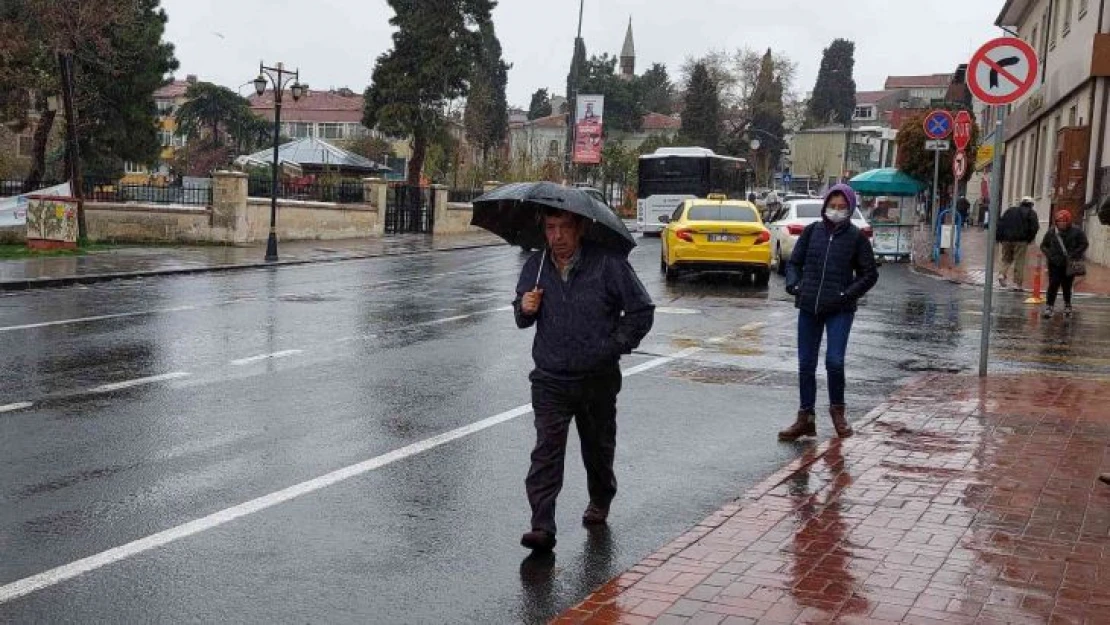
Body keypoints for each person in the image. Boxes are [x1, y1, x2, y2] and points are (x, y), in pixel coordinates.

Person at [513, 207, 654, 551]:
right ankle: (542, 525)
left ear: (580, 229)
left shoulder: (608, 264)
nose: (556, 236)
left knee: (598, 447)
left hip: (597, 378)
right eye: (550, 228)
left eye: (564, 227)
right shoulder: (537, 266)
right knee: (546, 453)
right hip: (550, 378)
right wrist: (525, 307)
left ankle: (601, 497)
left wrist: (612, 347)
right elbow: (521, 318)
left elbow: (641, 311)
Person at [780, 184, 879, 441]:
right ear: (825, 207)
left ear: (850, 208)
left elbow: (869, 274)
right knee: (806, 364)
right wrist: (795, 285)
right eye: (832, 206)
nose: (836, 211)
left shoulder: (856, 238)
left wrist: (847, 294)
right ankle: (805, 418)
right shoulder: (813, 232)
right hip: (809, 305)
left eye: (842, 207)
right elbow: (795, 263)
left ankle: (838, 412)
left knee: (834, 361)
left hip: (840, 309)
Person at [1039, 210, 1089, 319]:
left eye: (1064, 221)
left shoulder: (1076, 231)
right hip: (1054, 263)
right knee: (1053, 284)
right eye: (1059, 221)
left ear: (1068, 221)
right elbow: (1043, 245)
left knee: (1067, 285)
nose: (1061, 223)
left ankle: (1067, 305)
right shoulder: (1052, 232)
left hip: (1069, 263)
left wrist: (1074, 254)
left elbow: (1084, 244)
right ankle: (1049, 306)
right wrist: (1050, 255)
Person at [995, 196, 1040, 290]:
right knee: (1019, 261)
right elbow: (1034, 227)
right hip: (1021, 240)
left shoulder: (1010, 211)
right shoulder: (1031, 213)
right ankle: (1017, 283)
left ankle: (1002, 274)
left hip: (1006, 239)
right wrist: (1029, 239)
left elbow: (1000, 223)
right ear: (1031, 204)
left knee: (1006, 258)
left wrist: (999, 237)